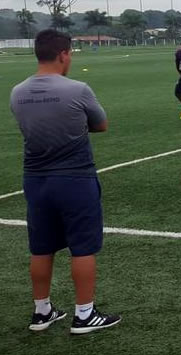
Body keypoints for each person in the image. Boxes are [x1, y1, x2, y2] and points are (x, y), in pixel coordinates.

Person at [9, 29, 121, 334]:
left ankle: (41, 311)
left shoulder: (17, 92)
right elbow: (101, 124)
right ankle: (84, 314)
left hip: (35, 179)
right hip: (74, 178)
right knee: (82, 248)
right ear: (63, 54)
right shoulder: (78, 89)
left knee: (41, 248)